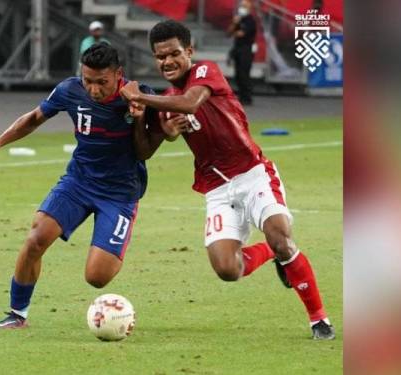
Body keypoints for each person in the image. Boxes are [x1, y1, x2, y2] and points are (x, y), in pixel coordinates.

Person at [120, 20, 335, 339]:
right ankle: (270, 253)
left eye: (174, 53)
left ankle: (319, 319)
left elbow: (190, 102)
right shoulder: (166, 103)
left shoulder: (205, 72)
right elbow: (142, 151)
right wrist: (148, 124)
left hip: (254, 175)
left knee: (281, 237)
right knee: (227, 269)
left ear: (189, 51)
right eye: (160, 56)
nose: (167, 61)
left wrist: (141, 97)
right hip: (218, 190)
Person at [0, 43, 162, 329]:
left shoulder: (141, 95)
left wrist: (141, 116)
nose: (94, 89)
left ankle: (115, 242)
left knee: (97, 277)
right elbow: (35, 117)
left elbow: (149, 147)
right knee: (36, 238)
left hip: (120, 193)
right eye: (88, 81)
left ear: (118, 74)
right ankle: (17, 313)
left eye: (102, 82)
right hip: (79, 181)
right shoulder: (69, 90)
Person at [226, 0, 257, 105]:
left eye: (245, 6)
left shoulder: (250, 21)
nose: (242, 8)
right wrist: (235, 23)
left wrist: (236, 31)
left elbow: (241, 34)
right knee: (238, 74)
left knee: (244, 73)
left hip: (246, 49)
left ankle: (247, 97)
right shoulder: (239, 20)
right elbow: (229, 33)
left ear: (249, 8)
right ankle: (241, 95)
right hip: (237, 48)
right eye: (242, 6)